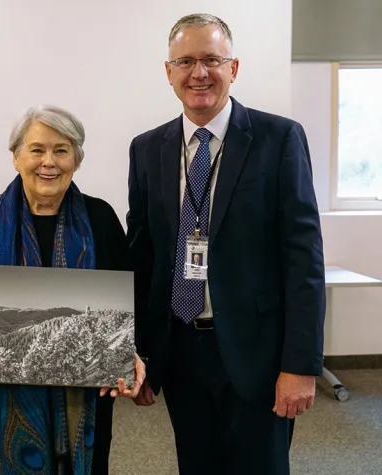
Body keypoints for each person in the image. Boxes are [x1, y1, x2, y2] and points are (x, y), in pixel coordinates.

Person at [126, 13, 325, 475]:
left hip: (259, 355)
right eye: (187, 61)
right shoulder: (146, 148)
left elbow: (303, 259)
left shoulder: (280, 139)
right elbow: (143, 257)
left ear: (233, 68)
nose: (200, 73)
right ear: (169, 71)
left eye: (212, 59)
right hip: (180, 351)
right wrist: (134, 351)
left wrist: (301, 364)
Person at [0, 105, 146, 474]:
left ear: (76, 159)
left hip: (86, 391)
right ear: (15, 157)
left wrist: (128, 350)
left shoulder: (101, 220)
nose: (49, 162)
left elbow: (128, 301)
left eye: (62, 150)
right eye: (37, 149)